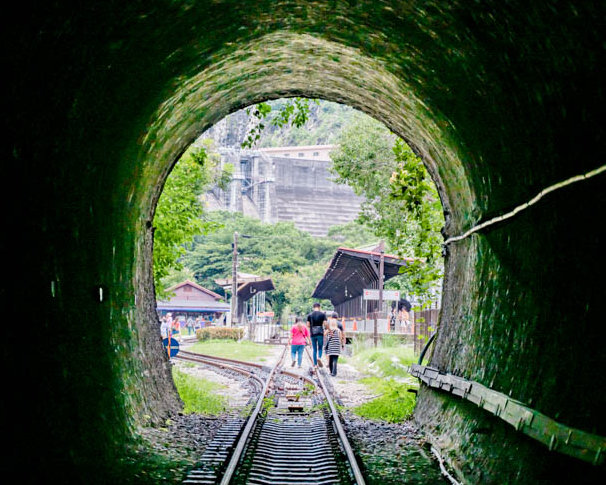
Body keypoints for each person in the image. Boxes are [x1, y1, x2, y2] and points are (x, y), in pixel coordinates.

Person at [307, 302, 327, 368]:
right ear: (319, 307)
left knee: (314, 349)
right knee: (320, 347)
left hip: (313, 333)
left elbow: (308, 325)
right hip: (320, 333)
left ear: (313, 307)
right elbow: (325, 324)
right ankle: (319, 357)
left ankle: (315, 365)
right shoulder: (323, 314)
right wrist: (328, 330)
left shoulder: (310, 315)